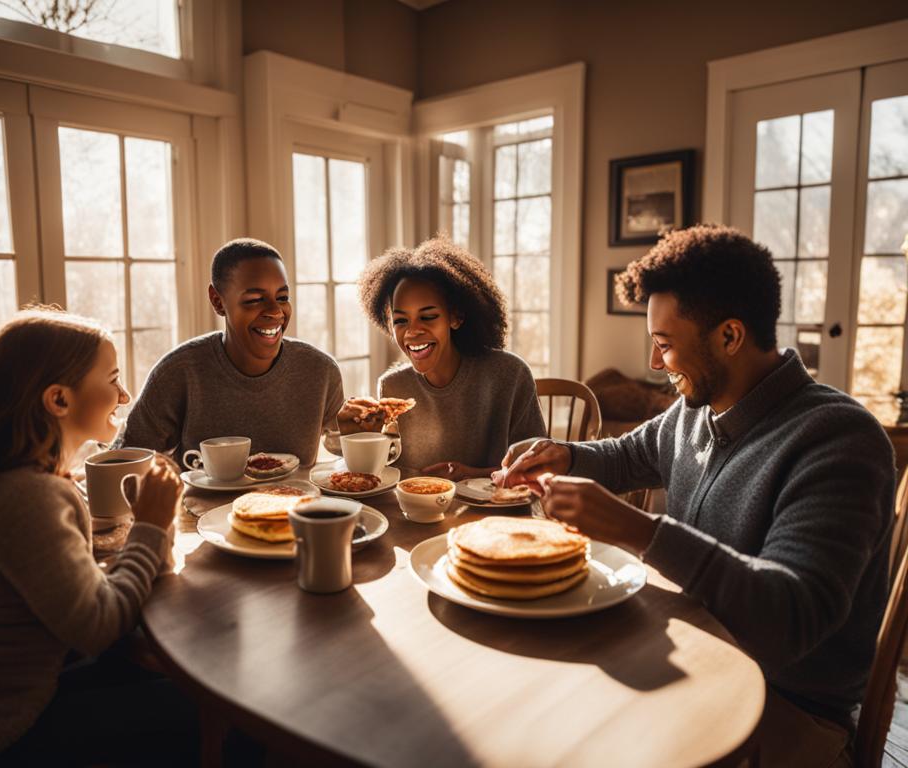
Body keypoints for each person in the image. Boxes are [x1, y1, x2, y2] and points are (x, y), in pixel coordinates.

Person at [497, 224, 894, 767]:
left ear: (730, 337)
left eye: (664, 344)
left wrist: (639, 531)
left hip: (789, 707)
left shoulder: (839, 440)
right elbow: (625, 456)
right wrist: (563, 454)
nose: (655, 364)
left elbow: (790, 620)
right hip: (696, 656)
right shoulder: (696, 410)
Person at [0, 308, 193, 766]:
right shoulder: (26, 497)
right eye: (112, 379)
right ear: (58, 400)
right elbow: (98, 626)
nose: (125, 393)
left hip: (45, 685)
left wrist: (157, 528)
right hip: (14, 733)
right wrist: (151, 527)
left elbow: (87, 597)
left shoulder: (29, 482)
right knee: (214, 708)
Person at [121, 238, 344, 466]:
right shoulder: (177, 372)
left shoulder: (321, 372)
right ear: (218, 301)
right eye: (255, 300)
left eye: (282, 298)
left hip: (298, 501)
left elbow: (347, 451)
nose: (275, 311)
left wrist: (368, 431)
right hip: (203, 504)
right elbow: (124, 463)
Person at [339, 237, 546, 480]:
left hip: (497, 511)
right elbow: (385, 475)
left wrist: (470, 475)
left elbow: (539, 466)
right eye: (401, 320)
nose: (412, 331)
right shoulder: (393, 386)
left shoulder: (509, 374)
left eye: (428, 317)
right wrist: (355, 437)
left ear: (455, 317)